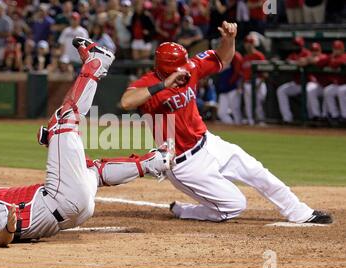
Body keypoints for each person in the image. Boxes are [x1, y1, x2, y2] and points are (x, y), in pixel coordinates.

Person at [0, 38, 171, 247]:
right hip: (61, 199)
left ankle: (156, 161)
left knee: (92, 170)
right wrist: (9, 228)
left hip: (73, 209)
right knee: (63, 119)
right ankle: (96, 64)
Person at [120, 21, 332, 224]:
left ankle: (300, 213)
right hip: (184, 164)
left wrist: (229, 40)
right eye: (179, 67)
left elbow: (223, 58)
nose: (185, 69)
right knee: (235, 206)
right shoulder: (148, 84)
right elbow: (126, 102)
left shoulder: (190, 68)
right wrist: (163, 85)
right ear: (165, 68)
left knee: (257, 171)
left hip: (209, 143)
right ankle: (185, 210)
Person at [277, 36, 311, 123]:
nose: (295, 47)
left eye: (297, 45)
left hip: (308, 83)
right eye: (295, 45)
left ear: (302, 45)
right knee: (281, 90)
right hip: (296, 83)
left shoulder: (307, 53)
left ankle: (312, 117)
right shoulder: (292, 55)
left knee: (310, 92)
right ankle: (287, 118)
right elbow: (287, 62)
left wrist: (297, 62)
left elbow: (305, 61)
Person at [242, 34, 267, 125]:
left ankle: (260, 120)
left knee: (258, 103)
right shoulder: (244, 57)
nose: (248, 45)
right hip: (247, 83)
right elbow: (243, 74)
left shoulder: (259, 55)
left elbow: (265, 72)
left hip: (258, 82)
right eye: (247, 43)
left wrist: (259, 84)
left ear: (253, 44)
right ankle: (250, 120)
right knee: (248, 104)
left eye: (250, 43)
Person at [321, 40, 346, 123]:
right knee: (327, 91)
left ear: (343, 49)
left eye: (338, 49)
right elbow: (320, 62)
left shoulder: (344, 56)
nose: (336, 50)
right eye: (335, 48)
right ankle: (334, 115)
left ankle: (344, 116)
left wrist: (331, 60)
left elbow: (339, 62)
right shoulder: (331, 57)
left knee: (341, 91)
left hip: (344, 84)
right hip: (338, 84)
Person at [216, 50, 243, 125]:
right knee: (221, 113)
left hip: (233, 88)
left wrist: (232, 83)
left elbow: (238, 72)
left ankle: (240, 129)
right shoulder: (220, 56)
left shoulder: (236, 56)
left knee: (235, 111)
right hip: (223, 90)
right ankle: (232, 128)